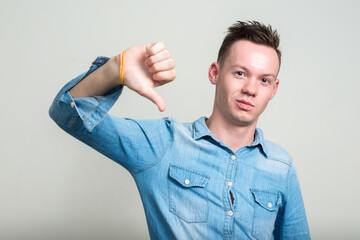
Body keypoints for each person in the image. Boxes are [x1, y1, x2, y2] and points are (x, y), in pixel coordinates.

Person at [49, 21, 311, 239]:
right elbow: (66, 112)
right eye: (240, 73)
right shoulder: (164, 144)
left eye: (264, 80)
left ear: (273, 89)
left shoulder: (281, 167)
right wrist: (114, 70)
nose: (251, 89)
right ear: (214, 73)